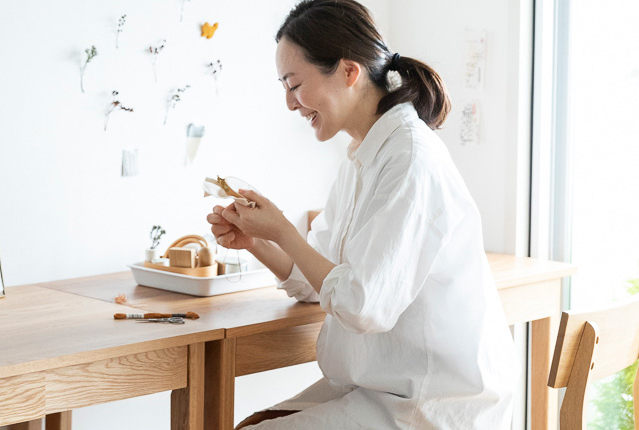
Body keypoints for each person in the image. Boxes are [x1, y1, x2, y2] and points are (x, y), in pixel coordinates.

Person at [205, 0, 518, 428]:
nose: (290, 104)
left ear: (349, 72)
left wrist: (282, 227)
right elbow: (317, 282)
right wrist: (259, 240)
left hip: (434, 402)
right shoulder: (362, 155)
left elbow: (360, 304)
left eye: (294, 84)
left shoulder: (409, 158)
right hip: (380, 388)